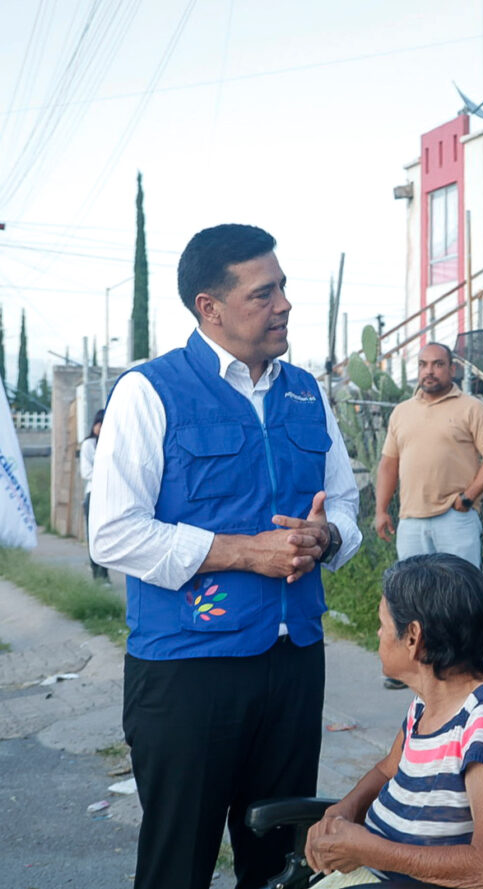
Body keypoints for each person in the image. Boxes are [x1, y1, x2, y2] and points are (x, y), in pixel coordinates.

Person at [90, 223, 362, 889]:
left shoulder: (306, 391)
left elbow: (347, 505)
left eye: (284, 289)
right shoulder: (149, 391)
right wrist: (246, 553)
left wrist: (325, 538)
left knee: (279, 862)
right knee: (178, 862)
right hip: (188, 668)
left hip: (294, 660)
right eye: (263, 293)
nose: (284, 305)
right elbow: (113, 533)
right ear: (210, 307)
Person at [304, 553, 483, 889]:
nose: (378, 633)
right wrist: (345, 810)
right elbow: (388, 769)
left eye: (383, 624)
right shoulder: (427, 704)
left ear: (413, 637)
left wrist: (367, 850)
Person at [374, 342, 483, 570]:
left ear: (452, 369)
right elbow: (388, 465)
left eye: (438, 364)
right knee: (412, 596)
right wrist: (381, 511)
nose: (429, 371)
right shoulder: (402, 412)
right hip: (410, 521)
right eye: (423, 365)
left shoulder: (472, 408)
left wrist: (468, 498)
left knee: (461, 592)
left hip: (455, 518)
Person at [78, 409, 109, 581]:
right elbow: (86, 472)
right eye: (99, 423)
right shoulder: (89, 445)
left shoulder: (113, 443)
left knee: (107, 535)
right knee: (94, 535)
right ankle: (98, 573)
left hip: (110, 496)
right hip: (94, 494)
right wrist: (106, 477)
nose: (101, 426)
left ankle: (105, 573)